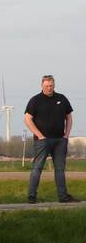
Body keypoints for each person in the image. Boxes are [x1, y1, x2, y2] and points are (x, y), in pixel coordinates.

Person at [24, 75, 77, 203]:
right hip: (42, 141)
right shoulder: (35, 100)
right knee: (37, 168)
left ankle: (63, 196)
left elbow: (69, 116)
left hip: (59, 140)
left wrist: (66, 135)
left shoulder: (61, 98)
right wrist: (40, 135)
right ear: (42, 86)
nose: (49, 88)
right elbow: (27, 119)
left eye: (51, 86)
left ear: (54, 85)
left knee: (60, 169)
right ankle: (32, 196)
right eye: (47, 86)